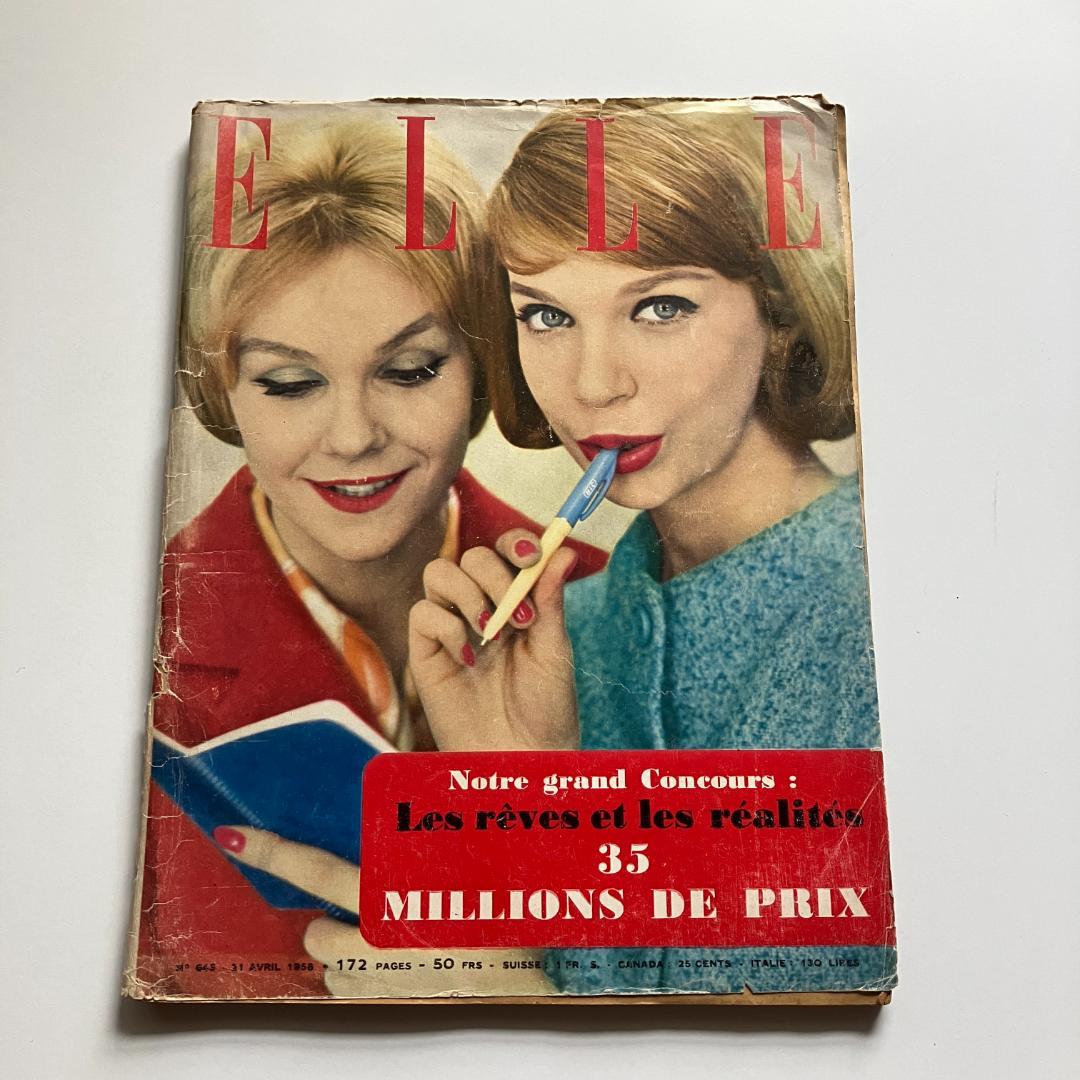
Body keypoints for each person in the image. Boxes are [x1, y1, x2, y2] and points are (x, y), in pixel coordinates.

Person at [409, 102, 893, 995]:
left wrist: (518, 999)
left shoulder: (885, 609)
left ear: (781, 314)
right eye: (546, 316)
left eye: (660, 307)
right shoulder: (564, 634)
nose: (594, 385)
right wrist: (519, 789)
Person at [133, 117, 605, 999]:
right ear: (224, 388)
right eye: (289, 383)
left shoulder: (613, 602)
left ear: (484, 365)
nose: (352, 437)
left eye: (411, 369)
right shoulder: (142, 630)